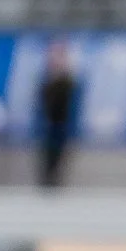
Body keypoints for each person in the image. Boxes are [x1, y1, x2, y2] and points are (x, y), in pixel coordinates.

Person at [37, 43, 80, 188]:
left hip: (61, 124)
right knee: (47, 153)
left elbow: (71, 102)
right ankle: (46, 179)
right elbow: (42, 102)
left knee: (59, 153)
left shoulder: (67, 81)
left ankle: (55, 179)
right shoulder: (46, 80)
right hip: (48, 124)